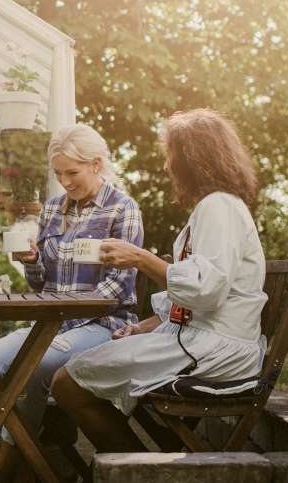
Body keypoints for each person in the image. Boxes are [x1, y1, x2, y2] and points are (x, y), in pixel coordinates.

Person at [51, 108, 268, 454]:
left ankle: (141, 472)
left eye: (171, 157)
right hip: (203, 341)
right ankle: (158, 462)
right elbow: (195, 297)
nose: (167, 167)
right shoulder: (215, 208)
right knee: (80, 374)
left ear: (192, 160)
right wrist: (143, 327)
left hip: (217, 351)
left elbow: (205, 291)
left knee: (67, 382)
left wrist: (140, 257)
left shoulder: (219, 208)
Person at [0, 123, 143, 483]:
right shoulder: (53, 209)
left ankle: (8, 470)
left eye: (73, 172)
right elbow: (42, 283)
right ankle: (26, 448)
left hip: (102, 326)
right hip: (52, 325)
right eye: (58, 173)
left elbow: (118, 289)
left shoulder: (123, 209)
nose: (65, 181)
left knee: (32, 367)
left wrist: (68, 307)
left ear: (97, 164)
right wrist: (31, 260)